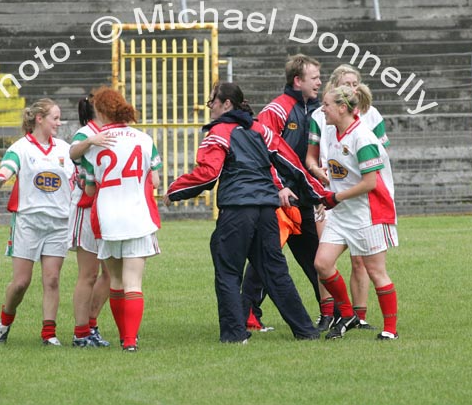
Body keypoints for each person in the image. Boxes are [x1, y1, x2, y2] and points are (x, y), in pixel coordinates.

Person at [164, 82, 337, 343]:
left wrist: (175, 190)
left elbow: (208, 174)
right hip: (267, 211)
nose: (210, 106)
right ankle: (305, 330)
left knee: (228, 271)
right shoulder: (261, 129)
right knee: (276, 272)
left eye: (213, 101)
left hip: (236, 211)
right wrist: (323, 196)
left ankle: (235, 334)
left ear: (226, 104)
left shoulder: (219, 133)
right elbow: (293, 165)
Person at [241, 53, 326, 331]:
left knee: (317, 257)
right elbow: (263, 151)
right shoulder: (276, 110)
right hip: (280, 198)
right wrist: (278, 188)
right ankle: (248, 314)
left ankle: (332, 312)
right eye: (314, 78)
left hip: (306, 197)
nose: (319, 83)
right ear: (297, 80)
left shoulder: (320, 111)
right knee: (267, 256)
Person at [307, 64, 390, 331]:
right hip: (334, 200)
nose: (352, 88)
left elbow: (374, 174)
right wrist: (321, 178)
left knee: (369, 266)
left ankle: (378, 324)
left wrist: (338, 194)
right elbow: (317, 159)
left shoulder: (365, 129)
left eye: (355, 84)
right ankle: (337, 313)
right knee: (323, 261)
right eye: (346, 83)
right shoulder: (326, 122)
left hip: (360, 205)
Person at [81, 86, 162, 352]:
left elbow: (90, 189)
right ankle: (130, 340)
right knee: (133, 283)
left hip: (107, 217)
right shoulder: (144, 139)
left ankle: (121, 337)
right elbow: (156, 180)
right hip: (137, 215)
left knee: (115, 281)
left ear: (102, 112)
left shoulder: (97, 143)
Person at [0, 98, 75, 346]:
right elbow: (10, 165)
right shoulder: (21, 147)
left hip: (58, 223)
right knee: (21, 283)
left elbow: (76, 176)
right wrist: (1, 177)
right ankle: (3, 325)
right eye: (55, 118)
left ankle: (49, 334)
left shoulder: (63, 149)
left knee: (52, 279)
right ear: (40, 119)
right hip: (28, 222)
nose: (59, 123)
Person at [68, 93, 116, 347]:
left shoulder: (114, 130)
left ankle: (91, 324)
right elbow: (73, 153)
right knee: (88, 273)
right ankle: (80, 333)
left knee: (111, 273)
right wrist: (90, 141)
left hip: (108, 208)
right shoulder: (86, 132)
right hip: (87, 208)